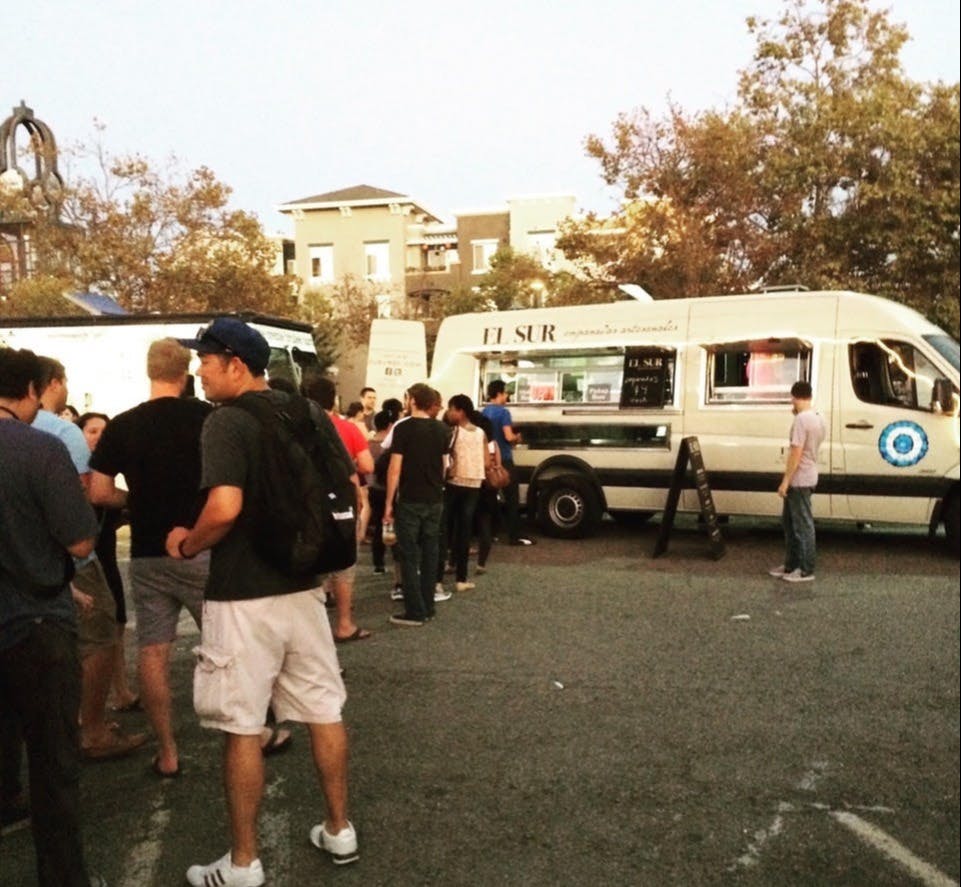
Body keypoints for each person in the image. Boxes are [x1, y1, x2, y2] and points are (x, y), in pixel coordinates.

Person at [166, 318, 358, 886]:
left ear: (236, 364)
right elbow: (347, 485)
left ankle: (244, 863)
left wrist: (187, 542)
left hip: (243, 595)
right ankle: (339, 828)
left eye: (206, 361)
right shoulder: (308, 412)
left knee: (243, 725)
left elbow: (224, 508)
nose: (198, 371)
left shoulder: (226, 421)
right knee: (324, 709)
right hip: (303, 586)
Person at [89, 339, 215, 777]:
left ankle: (167, 752)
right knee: (223, 644)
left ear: (149, 371)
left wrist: (136, 502)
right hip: (201, 544)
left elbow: (99, 492)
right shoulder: (208, 418)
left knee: (153, 651)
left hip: (146, 552)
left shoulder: (123, 425)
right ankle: (248, 734)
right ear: (185, 374)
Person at [0, 347, 101, 886]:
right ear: (31, 392)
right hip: (36, 623)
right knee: (53, 765)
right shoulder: (39, 448)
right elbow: (80, 539)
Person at [33, 357, 145, 761]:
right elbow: (86, 496)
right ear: (54, 383)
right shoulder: (63, 432)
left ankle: (61, 725)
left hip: (23, 559)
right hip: (72, 558)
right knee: (98, 635)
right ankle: (91, 729)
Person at [302, 373, 373, 643]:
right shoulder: (347, 429)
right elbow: (367, 465)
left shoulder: (294, 427)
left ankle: (311, 629)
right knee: (343, 565)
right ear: (333, 400)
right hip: (340, 504)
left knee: (311, 565)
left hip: (306, 503)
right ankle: (344, 623)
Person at [77, 411, 139, 714]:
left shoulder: (107, 475)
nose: (99, 436)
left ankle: (122, 691)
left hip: (108, 558)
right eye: (92, 431)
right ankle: (88, 709)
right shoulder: (77, 476)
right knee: (92, 634)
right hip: (86, 563)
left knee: (117, 623)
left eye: (105, 431)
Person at [384, 382, 449, 626]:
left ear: (412, 400)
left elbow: (394, 469)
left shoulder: (403, 428)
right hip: (435, 498)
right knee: (431, 553)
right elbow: (445, 465)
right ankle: (428, 605)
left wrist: (389, 503)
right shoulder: (442, 429)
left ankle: (415, 610)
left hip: (410, 498)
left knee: (409, 555)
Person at [770, 380, 827, 583]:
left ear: (795, 397)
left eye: (792, 399)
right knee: (790, 523)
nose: (791, 402)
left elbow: (796, 452)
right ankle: (791, 564)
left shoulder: (801, 420)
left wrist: (785, 481)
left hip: (799, 478)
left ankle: (805, 570)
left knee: (801, 526)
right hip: (809, 473)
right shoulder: (819, 417)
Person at [439, 395, 491, 593]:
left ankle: (437, 580)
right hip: (474, 484)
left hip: (454, 482)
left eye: (452, 409)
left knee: (444, 529)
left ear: (460, 411)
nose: (449, 413)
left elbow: (445, 456)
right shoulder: (481, 433)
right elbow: (487, 462)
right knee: (464, 531)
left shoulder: (453, 431)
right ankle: (461, 579)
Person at [482, 379, 534, 546]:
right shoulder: (503, 413)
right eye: (505, 393)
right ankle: (515, 535)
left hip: (489, 459)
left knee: (490, 498)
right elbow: (508, 436)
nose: (507, 396)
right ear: (499, 393)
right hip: (504, 459)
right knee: (512, 498)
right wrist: (517, 437)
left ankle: (490, 534)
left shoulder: (484, 412)